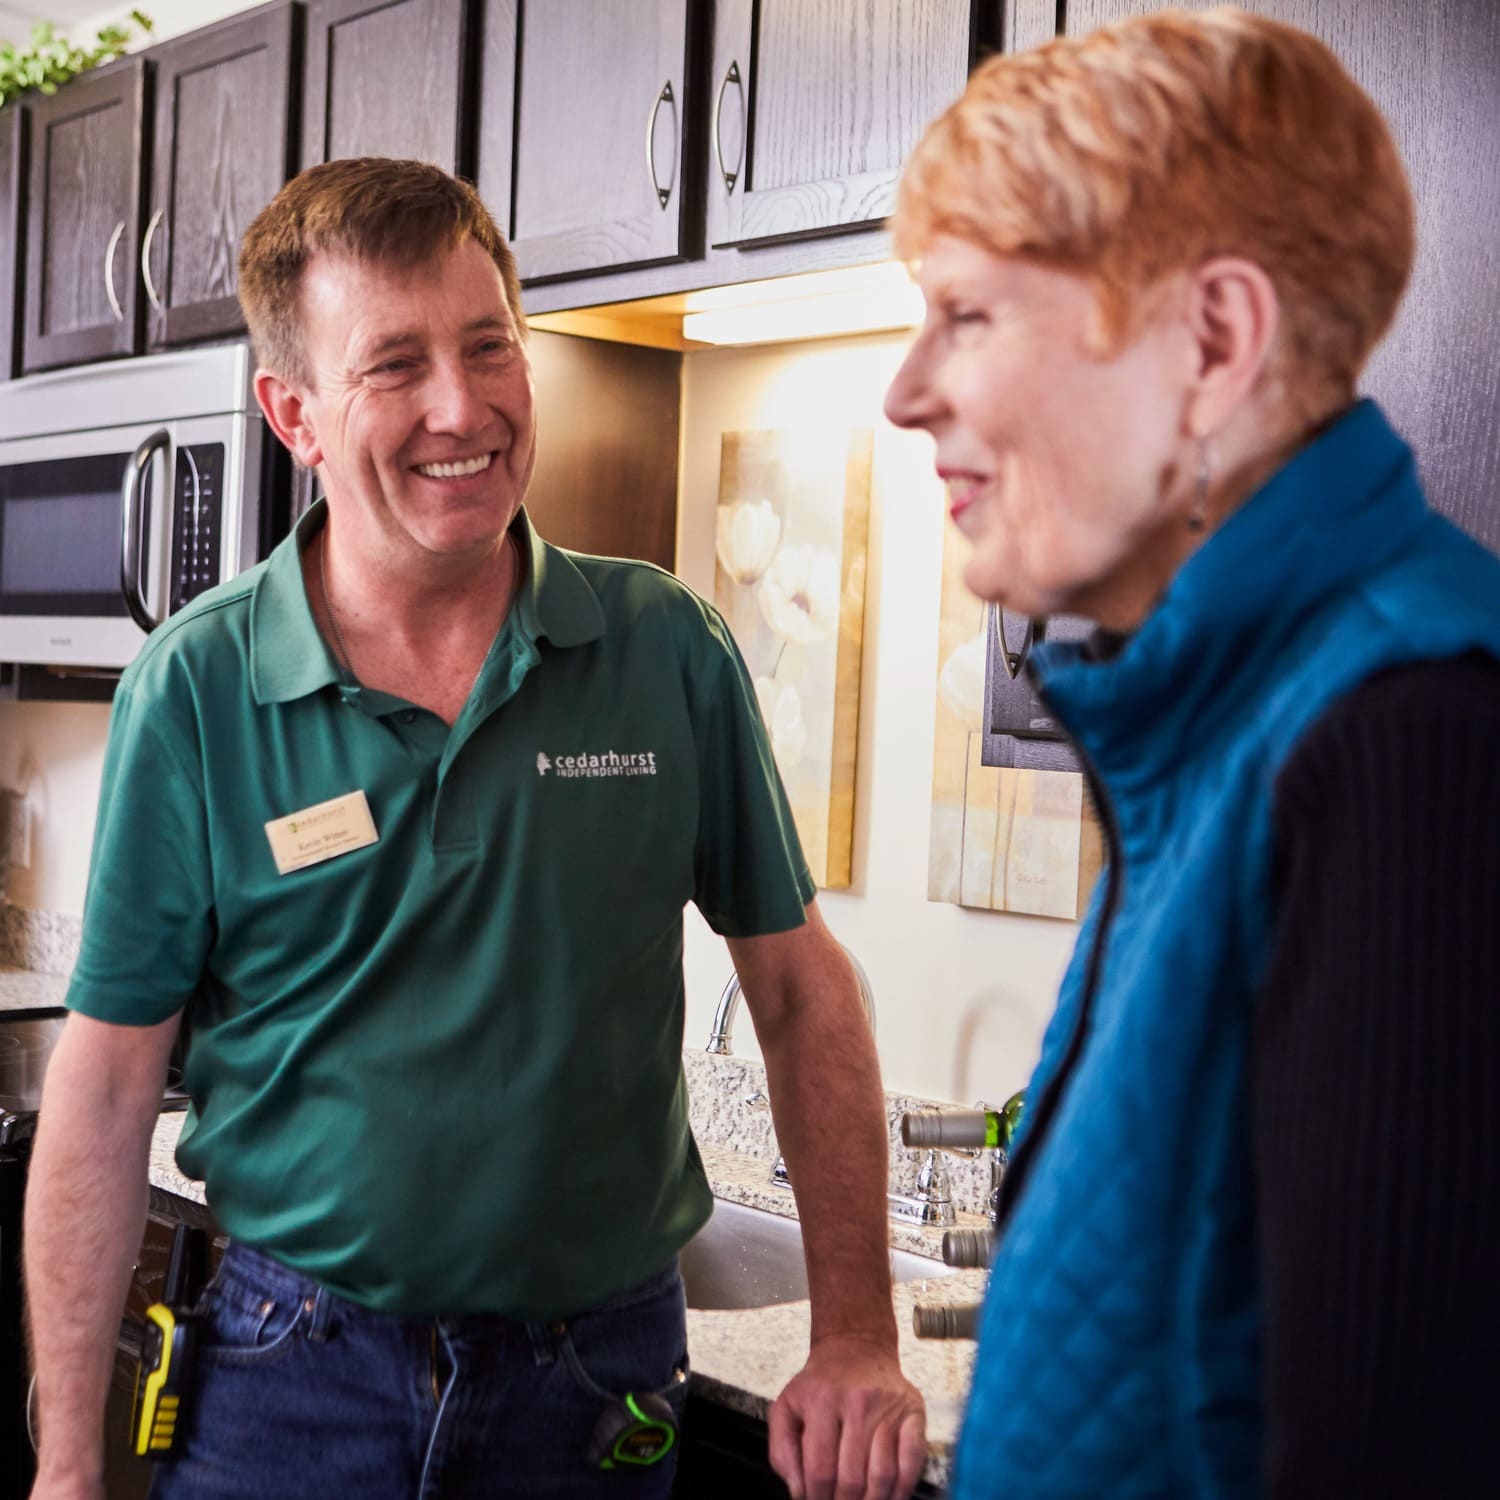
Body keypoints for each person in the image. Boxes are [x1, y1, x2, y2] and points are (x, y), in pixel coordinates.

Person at [25, 158, 926, 1500]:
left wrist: (856, 1329)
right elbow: (103, 1087)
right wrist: (64, 1468)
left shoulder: (662, 647)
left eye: (489, 343)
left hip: (597, 1384)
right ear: (296, 415)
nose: (465, 406)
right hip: (290, 1380)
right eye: (393, 366)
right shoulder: (200, 685)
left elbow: (797, 993)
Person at [883, 8, 1500, 1498]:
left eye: (969, 316)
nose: (909, 391)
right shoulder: (1221, 733)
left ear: (1214, 343)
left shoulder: (1410, 741)